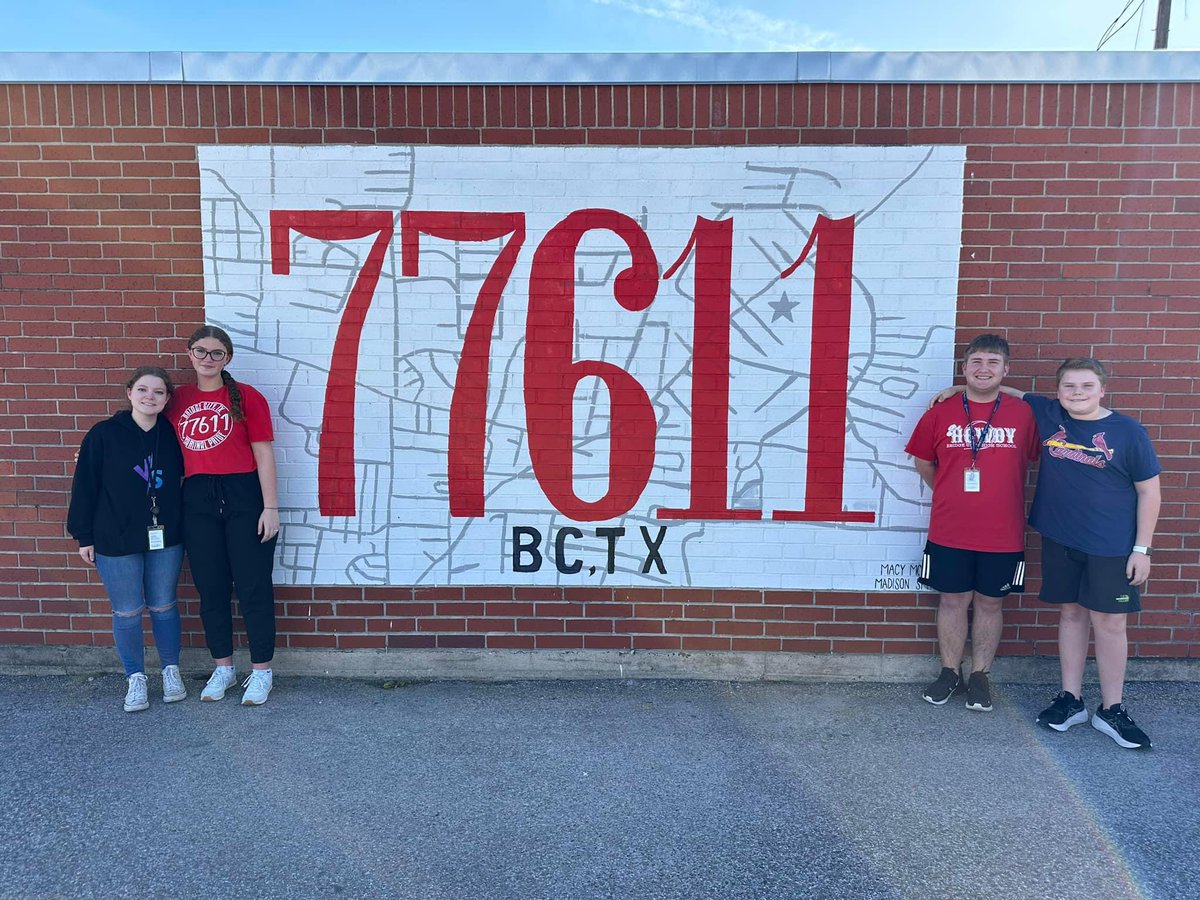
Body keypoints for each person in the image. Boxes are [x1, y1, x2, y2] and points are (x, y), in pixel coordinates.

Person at [935, 359, 1162, 750]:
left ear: (1102, 390)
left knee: (1110, 623)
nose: (1077, 393)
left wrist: (1142, 548)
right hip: (1060, 539)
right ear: (1058, 392)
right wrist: (959, 390)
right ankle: (1070, 699)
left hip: (1111, 545)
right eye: (1069, 387)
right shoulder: (1048, 413)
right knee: (1071, 613)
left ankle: (1112, 709)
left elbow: (1149, 491)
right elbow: (1006, 391)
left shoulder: (1128, 432)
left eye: (1086, 386)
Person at [906, 335, 1039, 712]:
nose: (984, 369)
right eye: (976, 362)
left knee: (990, 604)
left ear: (1006, 369)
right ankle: (950, 672)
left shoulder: (1023, 413)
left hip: (1003, 532)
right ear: (964, 368)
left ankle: (980, 675)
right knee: (951, 601)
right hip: (950, 529)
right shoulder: (940, 412)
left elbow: (1052, 428)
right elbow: (922, 461)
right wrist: (949, 493)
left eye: (993, 362)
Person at [168, 325, 281, 706]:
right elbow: (141, 424)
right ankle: (225, 668)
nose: (208, 358)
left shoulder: (247, 397)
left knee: (253, 587)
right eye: (201, 351)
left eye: (217, 353)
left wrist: (271, 507)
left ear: (227, 358)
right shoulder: (177, 399)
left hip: (244, 494)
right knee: (211, 588)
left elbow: (264, 454)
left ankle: (262, 671)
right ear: (190, 354)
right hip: (197, 496)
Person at [67, 367, 186, 713]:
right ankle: (135, 677)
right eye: (143, 389)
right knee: (128, 610)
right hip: (114, 537)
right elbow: (85, 485)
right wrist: (83, 535)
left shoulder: (173, 433)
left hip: (165, 536)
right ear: (130, 392)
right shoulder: (104, 434)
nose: (150, 397)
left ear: (166, 400)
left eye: (159, 392)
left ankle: (170, 671)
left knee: (164, 605)